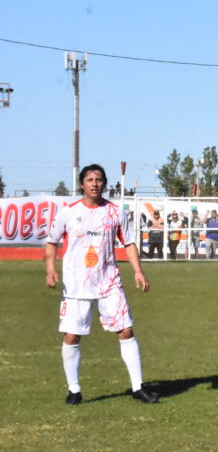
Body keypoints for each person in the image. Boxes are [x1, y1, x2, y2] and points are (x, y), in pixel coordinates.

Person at [43, 164, 160, 405]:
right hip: (76, 284)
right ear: (82, 184)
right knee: (72, 336)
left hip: (108, 282)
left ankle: (138, 387)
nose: (94, 183)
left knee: (126, 331)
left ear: (104, 184)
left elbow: (129, 243)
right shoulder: (68, 212)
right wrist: (50, 269)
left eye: (99, 179)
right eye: (90, 179)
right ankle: (74, 390)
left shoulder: (115, 212)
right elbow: (51, 241)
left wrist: (138, 271)